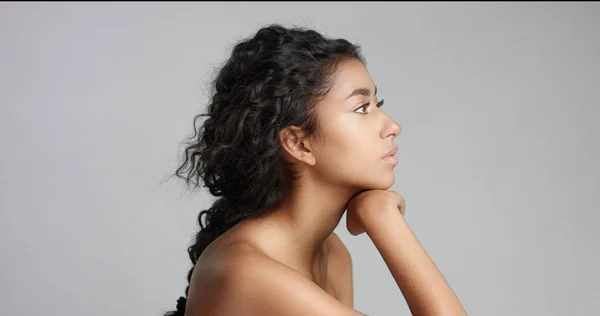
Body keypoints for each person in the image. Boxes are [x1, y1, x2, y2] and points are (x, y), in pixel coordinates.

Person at [164, 24, 467, 316]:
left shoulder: (333, 255)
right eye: (362, 108)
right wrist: (384, 219)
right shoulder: (246, 269)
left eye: (378, 103)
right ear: (299, 144)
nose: (392, 126)